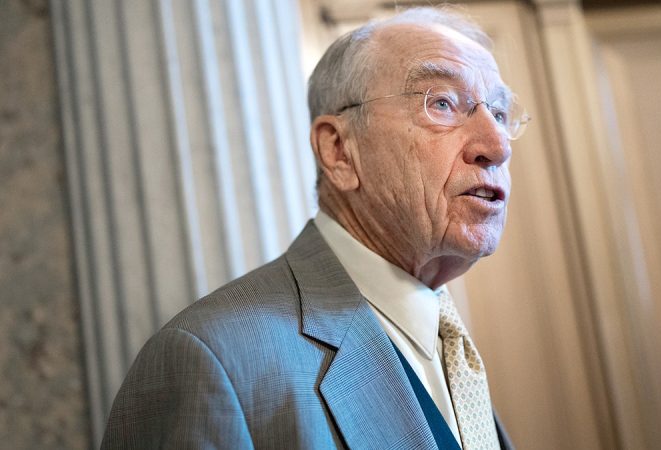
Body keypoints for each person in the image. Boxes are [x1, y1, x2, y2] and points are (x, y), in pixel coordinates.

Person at [102, 5, 528, 449]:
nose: (497, 146)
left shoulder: (448, 343)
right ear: (339, 151)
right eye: (442, 103)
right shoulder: (210, 361)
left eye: (499, 113)